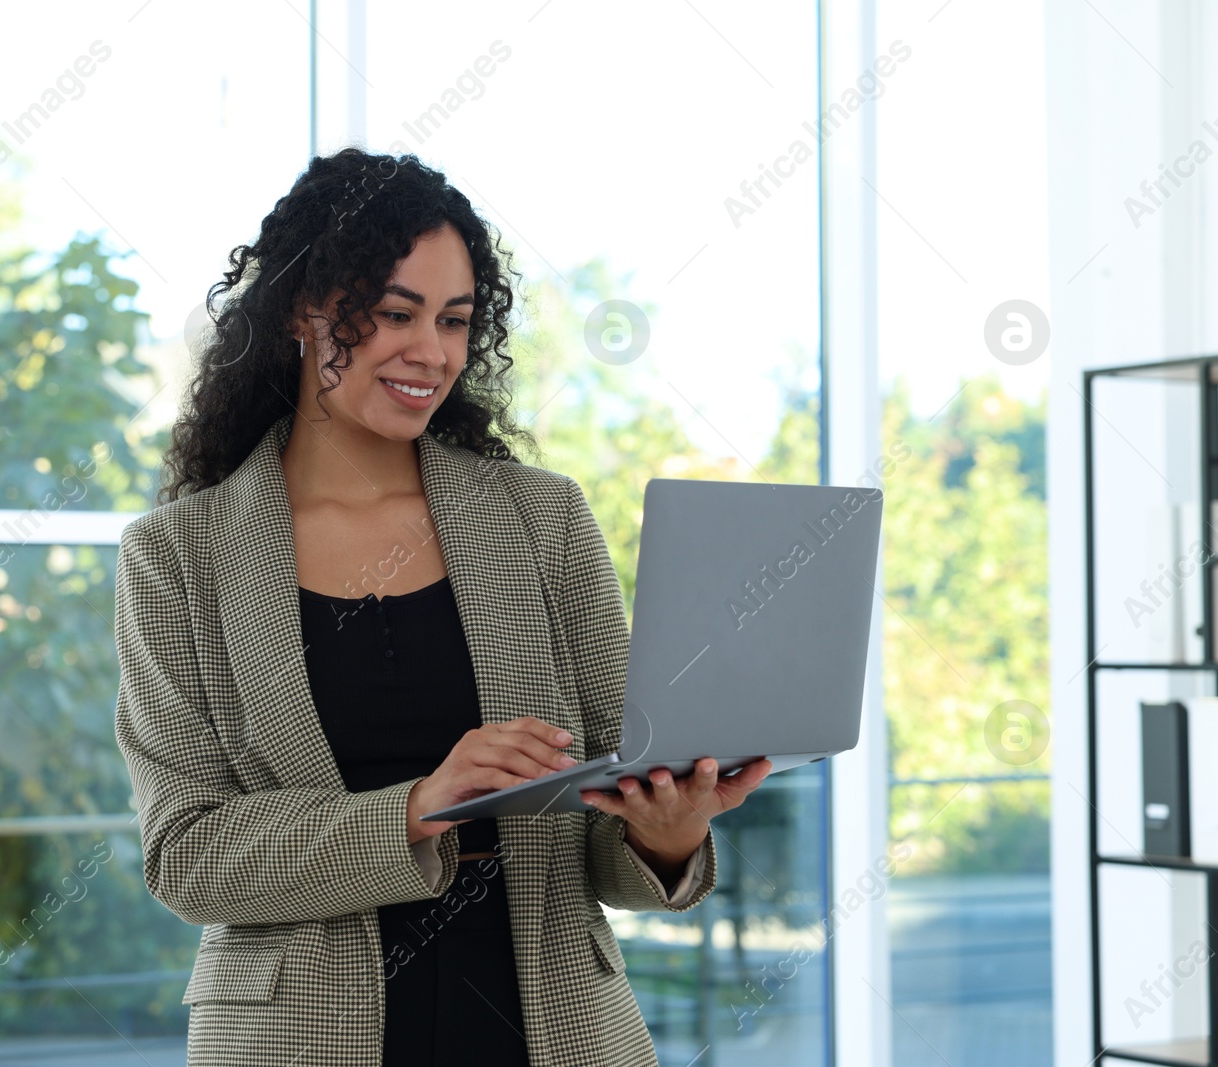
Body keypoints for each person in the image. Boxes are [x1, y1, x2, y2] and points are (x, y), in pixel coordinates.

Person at [112, 146, 773, 1067]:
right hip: (296, 1037)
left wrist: (669, 833)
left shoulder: (542, 519)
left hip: (551, 1027)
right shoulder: (177, 557)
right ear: (306, 311)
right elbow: (187, 854)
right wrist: (417, 807)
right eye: (395, 313)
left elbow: (609, 828)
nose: (432, 352)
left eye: (456, 320)